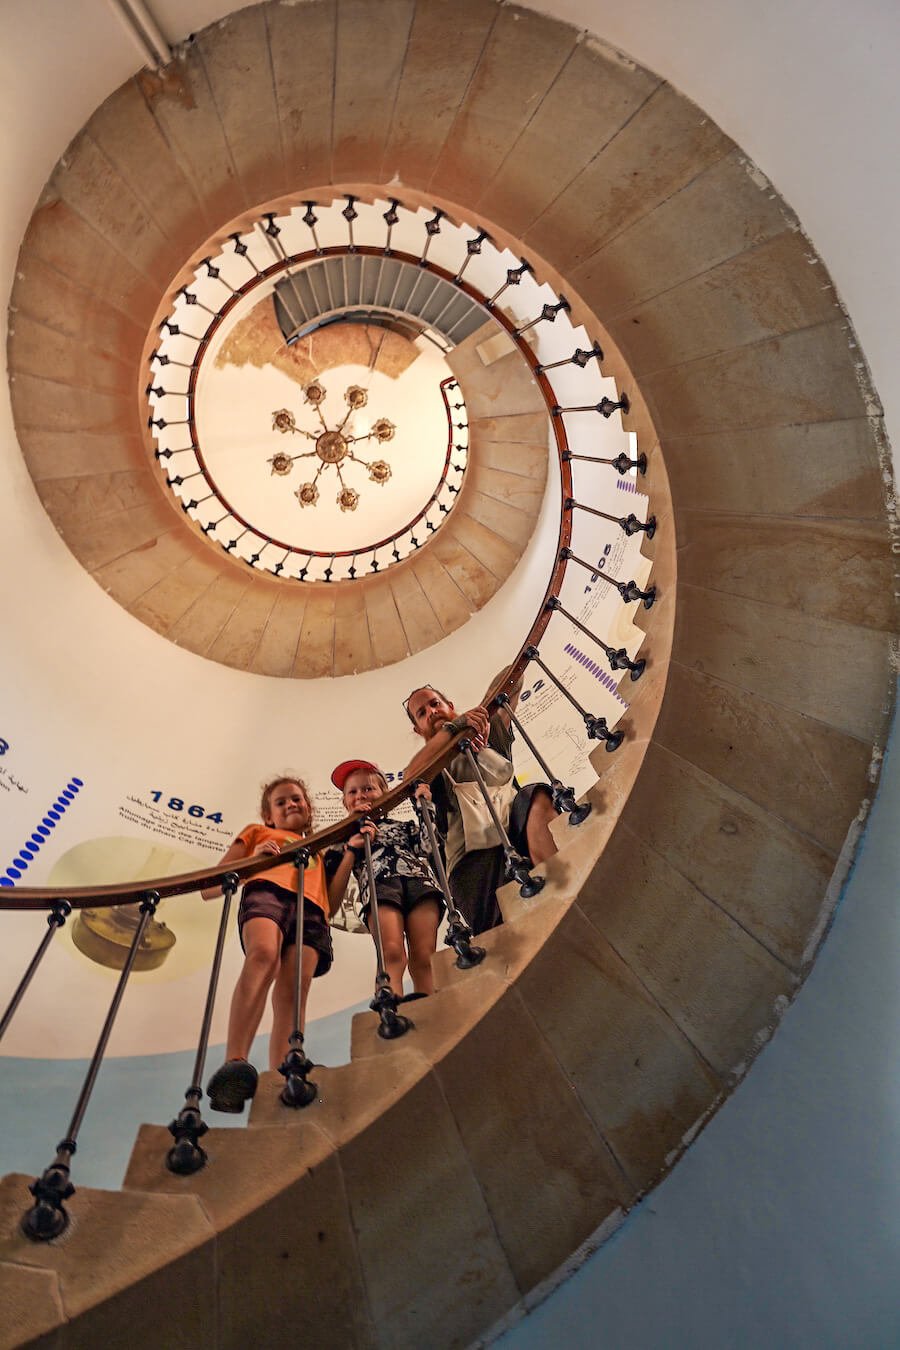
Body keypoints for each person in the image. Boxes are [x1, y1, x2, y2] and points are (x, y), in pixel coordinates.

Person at [202, 774, 332, 1113]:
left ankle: (284, 1072)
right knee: (263, 956)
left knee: (295, 987)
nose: (291, 804)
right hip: (267, 893)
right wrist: (253, 861)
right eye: (281, 801)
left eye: (297, 799)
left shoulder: (320, 847)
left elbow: (333, 894)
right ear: (268, 817)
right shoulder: (258, 833)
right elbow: (210, 887)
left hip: (312, 909)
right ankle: (234, 1061)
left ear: (309, 809)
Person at [403, 681, 557, 935]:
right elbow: (410, 777)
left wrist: (481, 712)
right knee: (507, 934)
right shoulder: (427, 764)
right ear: (418, 730)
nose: (431, 712)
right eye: (422, 713)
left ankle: (563, 884)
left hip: (517, 829)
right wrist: (453, 727)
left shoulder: (489, 731)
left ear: (450, 706)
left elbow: (513, 678)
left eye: (435, 703)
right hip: (469, 862)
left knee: (536, 795)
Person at [326, 760, 444, 998]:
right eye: (353, 791)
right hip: (379, 888)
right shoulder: (342, 840)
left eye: (368, 788)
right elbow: (334, 878)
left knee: (424, 954)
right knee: (391, 952)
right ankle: (392, 1005)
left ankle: (431, 1005)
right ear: (345, 802)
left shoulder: (402, 827)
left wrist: (424, 805)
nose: (361, 795)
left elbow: (429, 846)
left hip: (419, 883)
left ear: (384, 794)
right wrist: (352, 844)